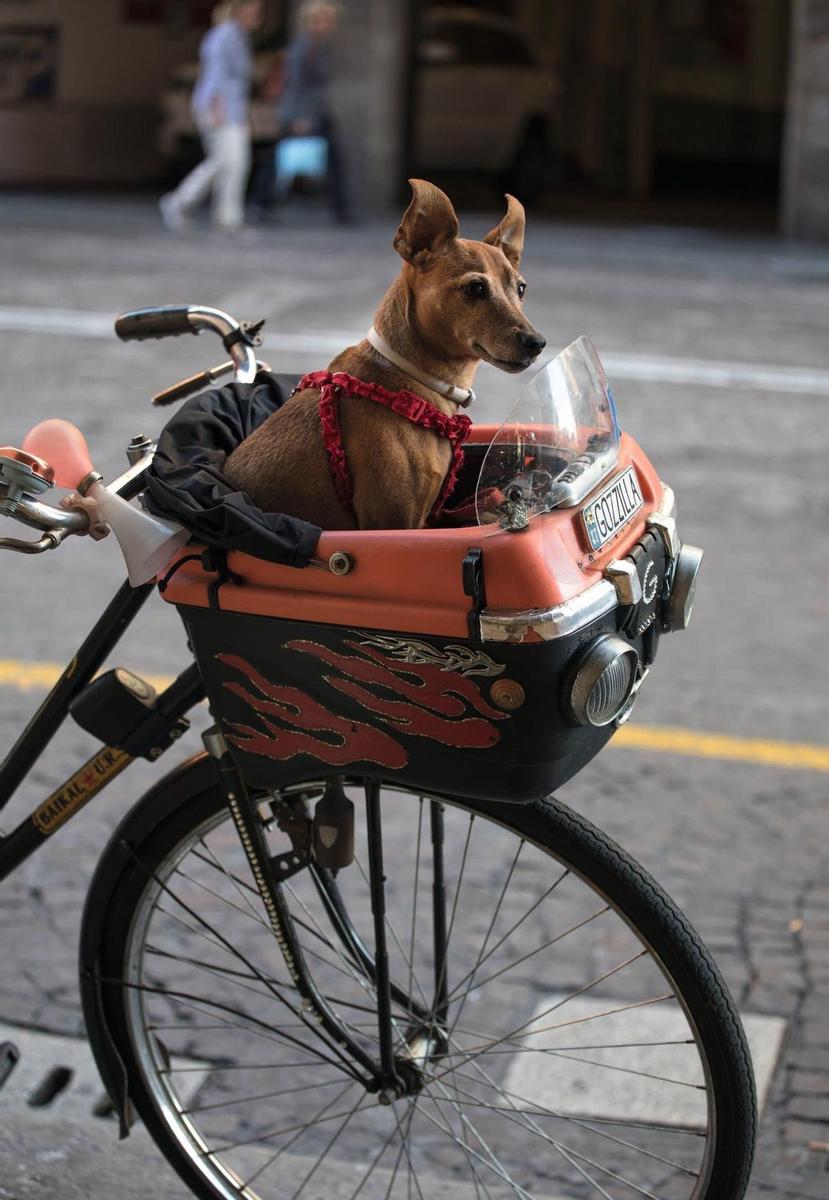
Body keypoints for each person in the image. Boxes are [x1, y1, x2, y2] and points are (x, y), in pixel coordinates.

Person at [160, 0, 262, 233]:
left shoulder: (237, 36)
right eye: (253, 11)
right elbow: (217, 75)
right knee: (228, 161)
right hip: (220, 107)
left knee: (230, 162)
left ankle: (225, 217)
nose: (257, 17)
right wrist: (219, 108)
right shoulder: (225, 35)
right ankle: (182, 202)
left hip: (231, 107)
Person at [251, 0, 353, 223]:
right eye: (324, 20)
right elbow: (296, 84)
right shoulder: (304, 48)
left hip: (315, 110)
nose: (329, 25)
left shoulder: (319, 47)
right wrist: (301, 117)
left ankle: (341, 208)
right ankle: (260, 202)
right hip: (301, 112)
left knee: (327, 159)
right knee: (278, 158)